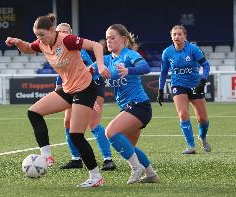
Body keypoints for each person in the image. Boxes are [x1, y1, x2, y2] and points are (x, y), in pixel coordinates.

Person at [5, 13, 107, 188]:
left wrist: (100, 64)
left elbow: (96, 45)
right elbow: (29, 48)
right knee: (34, 112)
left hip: (85, 89)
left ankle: (96, 177)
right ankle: (46, 156)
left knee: (76, 135)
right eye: (37, 35)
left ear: (52, 31)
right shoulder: (42, 43)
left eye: (42, 35)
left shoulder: (67, 40)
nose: (40, 39)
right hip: (67, 89)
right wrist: (16, 42)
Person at [94, 24, 159, 184]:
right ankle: (151, 174)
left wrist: (129, 70)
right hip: (128, 108)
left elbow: (145, 67)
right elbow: (89, 72)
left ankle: (136, 168)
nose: (108, 41)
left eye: (112, 37)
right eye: (107, 38)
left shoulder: (129, 54)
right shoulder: (107, 60)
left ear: (123, 39)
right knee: (129, 147)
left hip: (139, 105)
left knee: (110, 132)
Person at [55, 23, 116, 171]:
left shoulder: (77, 50)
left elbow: (90, 73)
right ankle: (76, 158)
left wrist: (92, 97)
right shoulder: (57, 51)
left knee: (93, 123)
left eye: (65, 32)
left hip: (91, 86)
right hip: (72, 88)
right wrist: (57, 91)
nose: (62, 35)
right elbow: (62, 74)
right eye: (59, 32)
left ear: (70, 34)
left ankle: (108, 159)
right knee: (68, 123)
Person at [157, 25, 211, 154]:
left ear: (185, 36)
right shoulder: (167, 52)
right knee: (182, 114)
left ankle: (202, 137)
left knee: (202, 118)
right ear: (171, 36)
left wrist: (202, 81)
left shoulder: (193, 49)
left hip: (194, 85)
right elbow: (164, 72)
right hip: (178, 85)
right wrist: (160, 89)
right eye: (174, 34)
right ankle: (190, 146)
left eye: (179, 34)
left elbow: (206, 65)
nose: (177, 36)